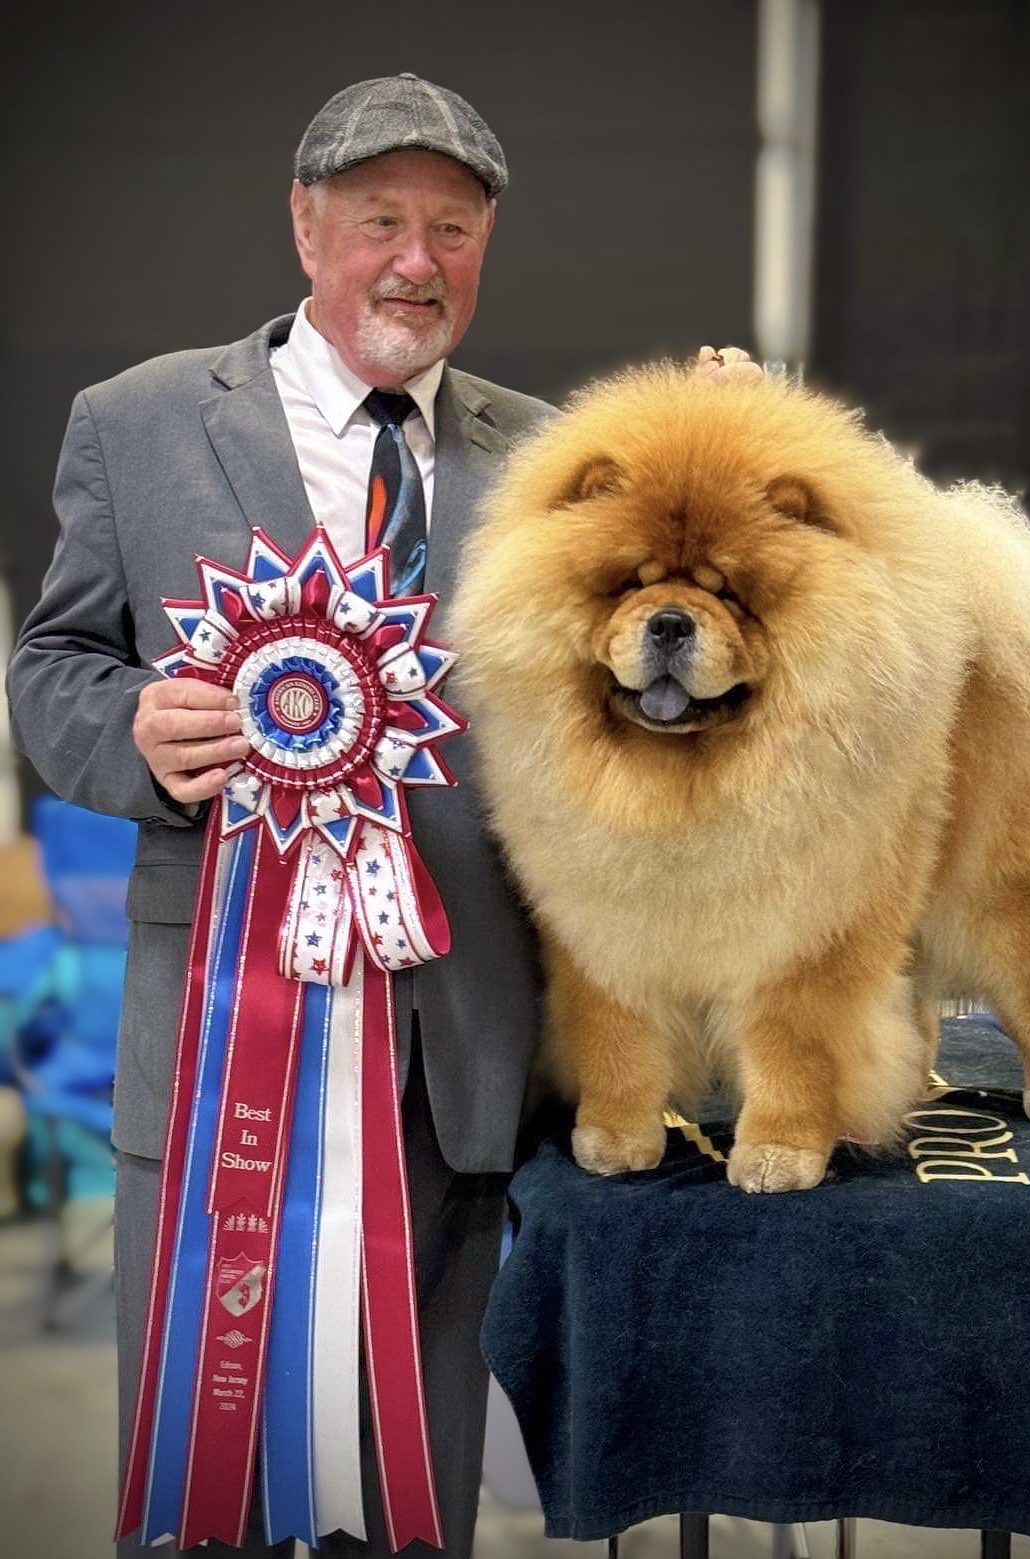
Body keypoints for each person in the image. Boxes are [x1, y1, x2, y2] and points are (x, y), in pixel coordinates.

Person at [5, 73, 753, 1559]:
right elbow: (53, 669)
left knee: (415, 1499)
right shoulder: (137, 421)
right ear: (305, 227)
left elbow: (665, 690)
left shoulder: (560, 460)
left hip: (461, 1057)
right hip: (219, 1053)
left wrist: (726, 449)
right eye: (380, 222)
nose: (418, 261)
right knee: (206, 1502)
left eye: (453, 230)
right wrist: (133, 728)